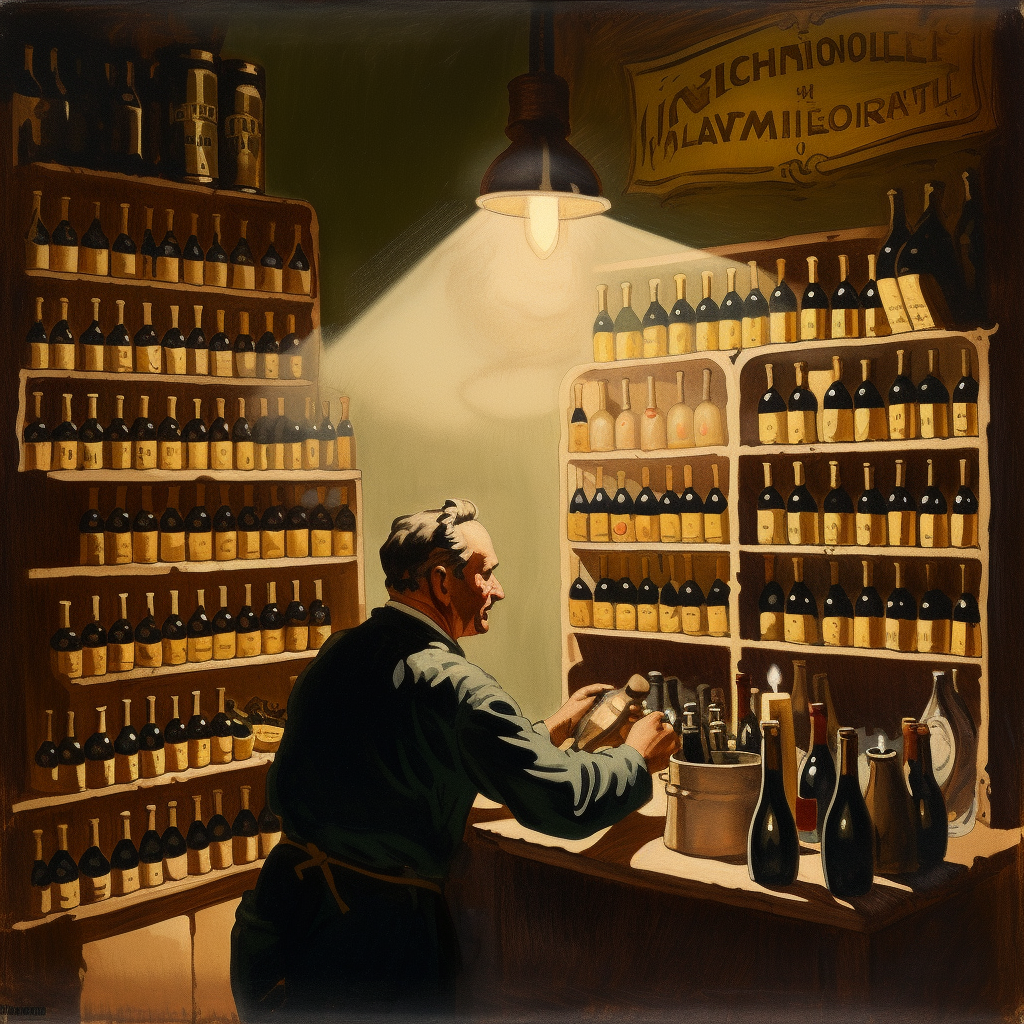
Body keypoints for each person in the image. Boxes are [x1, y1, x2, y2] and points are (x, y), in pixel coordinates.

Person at [230, 498, 678, 1020]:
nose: (498, 591)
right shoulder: (455, 685)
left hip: (283, 925)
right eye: (485, 575)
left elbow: (414, 759)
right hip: (375, 951)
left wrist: (548, 731)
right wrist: (634, 759)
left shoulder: (341, 651)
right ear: (443, 583)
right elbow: (560, 801)